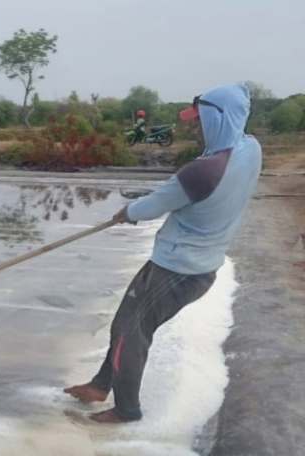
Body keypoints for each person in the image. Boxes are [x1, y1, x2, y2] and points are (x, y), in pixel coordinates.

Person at [64, 84, 261, 423]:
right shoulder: (251, 149)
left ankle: (127, 410)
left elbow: (155, 204)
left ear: (218, 119)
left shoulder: (203, 171)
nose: (195, 127)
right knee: (125, 324)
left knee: (131, 332)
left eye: (200, 119)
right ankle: (100, 384)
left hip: (179, 269)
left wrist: (128, 212)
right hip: (187, 264)